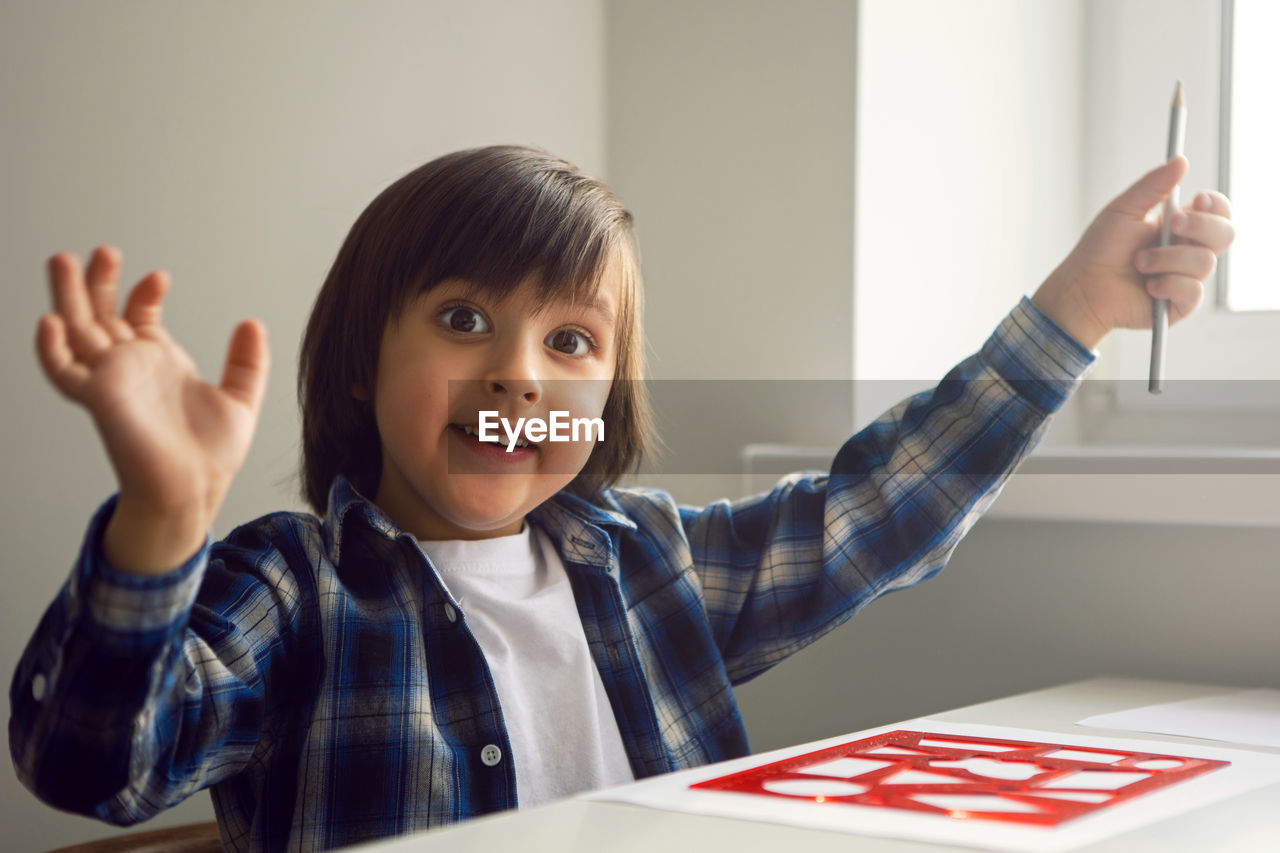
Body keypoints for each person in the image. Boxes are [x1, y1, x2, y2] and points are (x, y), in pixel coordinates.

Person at [10, 145, 1232, 851]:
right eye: (461, 318)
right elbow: (94, 766)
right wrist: (159, 523)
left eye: (573, 340)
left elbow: (874, 516)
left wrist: (1074, 313)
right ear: (354, 364)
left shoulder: (647, 561)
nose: (517, 372)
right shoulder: (290, 587)